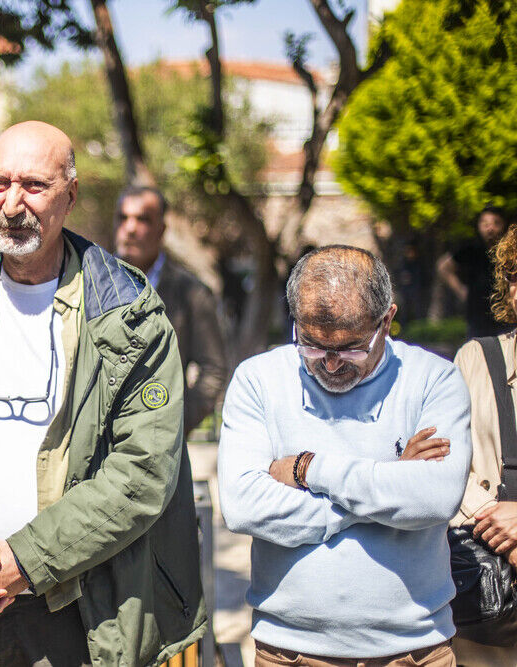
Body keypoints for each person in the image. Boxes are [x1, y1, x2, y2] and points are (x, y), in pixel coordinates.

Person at [0, 121, 206, 666]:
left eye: (33, 185)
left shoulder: (129, 311)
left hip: (75, 607)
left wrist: (25, 561)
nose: (11, 203)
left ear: (69, 195)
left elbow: (145, 469)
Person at [219, 245, 471, 666]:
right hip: (291, 652)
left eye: (352, 348)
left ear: (387, 320)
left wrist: (308, 468)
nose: (332, 365)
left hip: (414, 651)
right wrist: (389, 481)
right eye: (314, 346)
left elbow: (435, 498)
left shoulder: (434, 380)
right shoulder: (258, 380)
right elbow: (245, 507)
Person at [451, 223, 517, 666]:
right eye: (513, 274)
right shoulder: (477, 359)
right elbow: (447, 465)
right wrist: (505, 529)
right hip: (495, 594)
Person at [114, 185, 227, 435]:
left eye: (142, 219)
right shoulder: (93, 283)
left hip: (161, 453)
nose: (130, 228)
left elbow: (214, 370)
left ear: (161, 230)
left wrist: (173, 426)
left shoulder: (191, 293)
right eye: (123, 218)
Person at [438, 205, 511, 338]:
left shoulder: (510, 251)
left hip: (505, 316)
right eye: (485, 224)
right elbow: (444, 266)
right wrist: (460, 290)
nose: (490, 228)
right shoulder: (471, 248)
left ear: (503, 225)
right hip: (477, 316)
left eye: (496, 223)